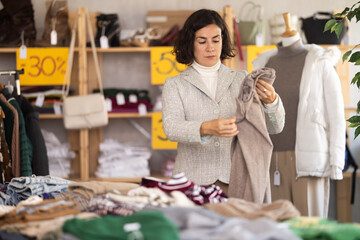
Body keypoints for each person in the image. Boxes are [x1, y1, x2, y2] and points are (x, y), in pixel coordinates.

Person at [161, 9, 285, 195]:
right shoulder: (175, 84)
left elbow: (274, 127)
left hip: (235, 180)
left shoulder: (242, 80)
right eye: (202, 41)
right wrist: (206, 128)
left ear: (223, 40)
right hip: (192, 183)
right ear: (190, 43)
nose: (210, 47)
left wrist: (272, 102)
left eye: (216, 40)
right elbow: (171, 128)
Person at [252, 13, 345, 217]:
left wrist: (336, 162)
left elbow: (337, 117)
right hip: (271, 162)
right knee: (278, 230)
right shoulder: (262, 65)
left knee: (310, 228)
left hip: (310, 161)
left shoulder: (320, 62)